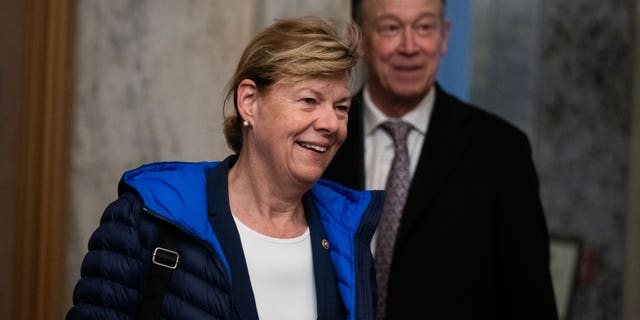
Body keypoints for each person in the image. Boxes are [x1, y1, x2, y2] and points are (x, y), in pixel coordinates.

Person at [66, 16, 384, 320]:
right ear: (249, 101)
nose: (331, 123)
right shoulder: (147, 217)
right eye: (309, 101)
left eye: (340, 107)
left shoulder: (348, 238)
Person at [323, 0, 559, 319]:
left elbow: (531, 302)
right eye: (391, 27)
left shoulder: (500, 151)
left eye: (424, 27)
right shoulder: (320, 138)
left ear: (444, 36)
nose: (410, 47)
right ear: (360, 39)